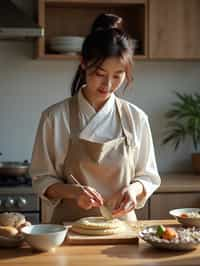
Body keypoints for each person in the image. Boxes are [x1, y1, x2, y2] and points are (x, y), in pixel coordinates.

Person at [29, 13, 161, 224]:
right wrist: (74, 193)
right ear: (84, 63)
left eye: (118, 75)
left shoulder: (136, 118)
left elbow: (148, 176)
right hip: (69, 229)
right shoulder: (54, 118)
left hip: (122, 229)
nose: (107, 85)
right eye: (100, 74)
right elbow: (42, 180)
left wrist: (133, 190)